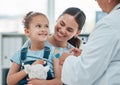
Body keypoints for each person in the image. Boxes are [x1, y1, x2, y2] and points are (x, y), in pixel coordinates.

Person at [22, 7, 86, 85]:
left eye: (69, 30)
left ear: (77, 33)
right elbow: (19, 70)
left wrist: (79, 62)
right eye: (62, 24)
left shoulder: (73, 55)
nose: (62, 30)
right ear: (57, 19)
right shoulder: (34, 41)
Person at [62, 0, 120, 85]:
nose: (95, 0)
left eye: (70, 29)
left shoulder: (110, 24)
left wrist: (68, 59)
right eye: (62, 23)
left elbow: (82, 75)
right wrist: (85, 56)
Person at [7, 11, 56, 85]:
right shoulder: (19, 54)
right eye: (38, 26)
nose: (43, 29)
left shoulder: (55, 53)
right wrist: (29, 68)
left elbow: (60, 80)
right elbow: (10, 81)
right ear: (27, 31)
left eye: (46, 26)